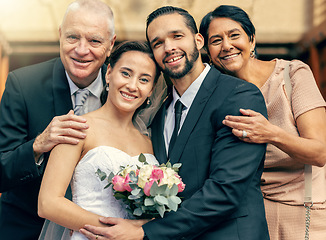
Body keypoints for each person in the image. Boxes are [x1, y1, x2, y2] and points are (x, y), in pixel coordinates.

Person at [79, 6, 270, 240]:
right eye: (157, 43)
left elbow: (225, 191)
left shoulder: (238, 96)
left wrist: (144, 232)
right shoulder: (157, 113)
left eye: (177, 36)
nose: (169, 47)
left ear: (199, 40)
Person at [199, 5, 326, 240]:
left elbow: (319, 152)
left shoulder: (292, 75)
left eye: (234, 35)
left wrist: (271, 134)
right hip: (252, 215)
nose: (226, 45)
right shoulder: (216, 96)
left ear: (252, 39)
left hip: (304, 210)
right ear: (207, 51)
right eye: (216, 40)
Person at [0, 0, 116, 239]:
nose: (82, 50)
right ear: (60, 35)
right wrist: (37, 145)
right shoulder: (22, 85)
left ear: (111, 44)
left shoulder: (126, 91)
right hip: (27, 228)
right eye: (73, 37)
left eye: (94, 40)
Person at [38, 40, 163, 240]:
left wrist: (138, 229)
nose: (132, 86)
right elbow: (48, 203)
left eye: (144, 79)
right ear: (108, 73)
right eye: (126, 73)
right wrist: (112, 230)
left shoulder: (150, 142)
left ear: (152, 88)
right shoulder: (78, 127)